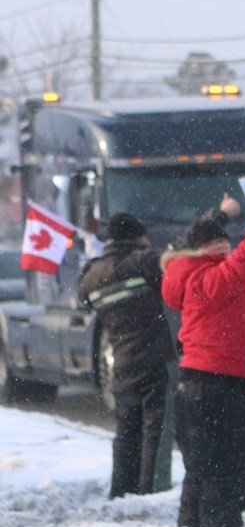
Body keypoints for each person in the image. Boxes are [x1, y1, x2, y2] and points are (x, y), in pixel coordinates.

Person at [161, 200, 245, 527]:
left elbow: (197, 240)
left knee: (199, 471)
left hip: (195, 384)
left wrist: (218, 216)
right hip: (223, 385)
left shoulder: (186, 274)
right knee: (228, 471)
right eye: (225, 242)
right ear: (216, 247)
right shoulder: (214, 278)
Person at [78, 213, 176, 499]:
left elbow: (84, 297)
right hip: (154, 359)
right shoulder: (143, 262)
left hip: (121, 361)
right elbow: (174, 266)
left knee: (127, 429)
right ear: (137, 237)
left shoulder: (93, 275)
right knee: (155, 428)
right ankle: (150, 491)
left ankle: (122, 490)